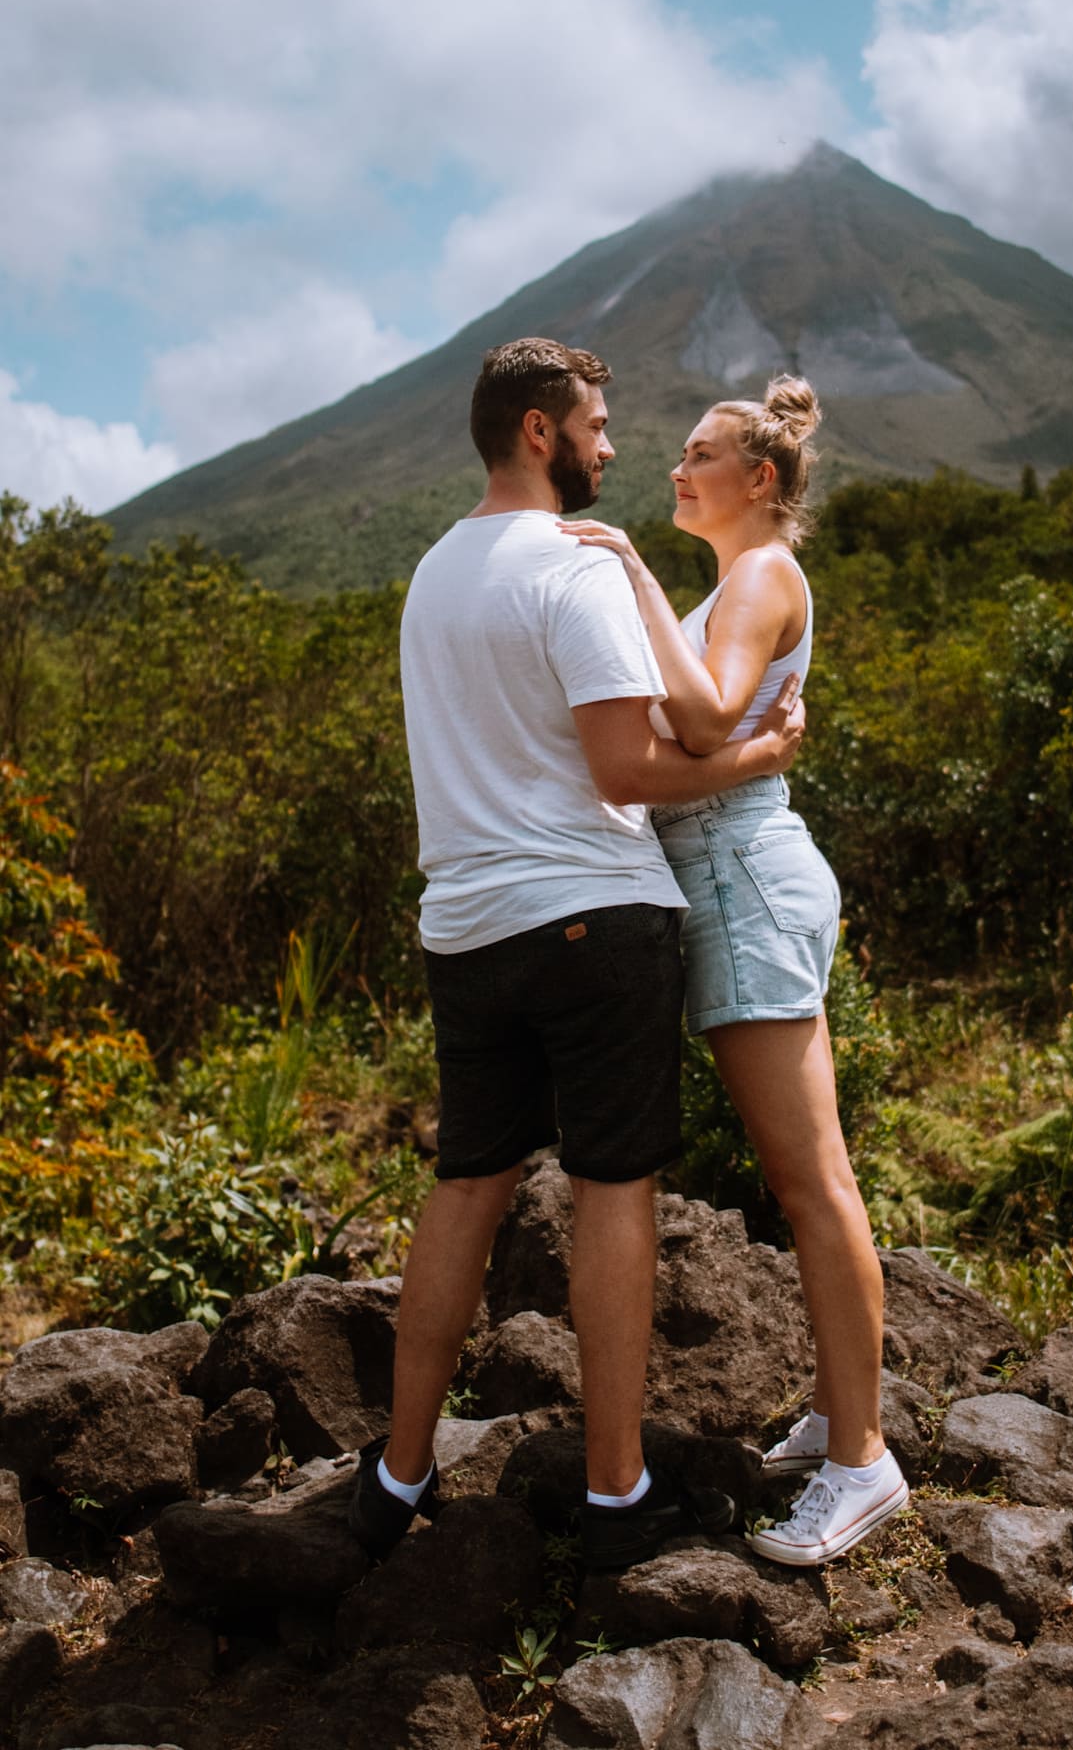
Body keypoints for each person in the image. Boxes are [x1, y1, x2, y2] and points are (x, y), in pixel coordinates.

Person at [347, 336, 805, 1573]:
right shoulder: (581, 564)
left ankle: (395, 1472)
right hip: (596, 916)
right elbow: (627, 769)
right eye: (598, 424)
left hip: (464, 926)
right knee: (615, 1189)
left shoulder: (432, 570)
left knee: (468, 1182)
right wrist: (757, 759)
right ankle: (616, 1493)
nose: (614, 447)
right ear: (542, 431)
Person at [559, 375, 906, 1567]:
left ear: (760, 479)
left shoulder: (757, 575)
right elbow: (690, 734)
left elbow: (701, 726)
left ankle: (864, 1462)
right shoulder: (737, 582)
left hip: (744, 879)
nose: (673, 469)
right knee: (802, 1176)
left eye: (699, 453)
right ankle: (840, 1408)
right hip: (731, 874)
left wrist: (633, 575)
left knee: (812, 1181)